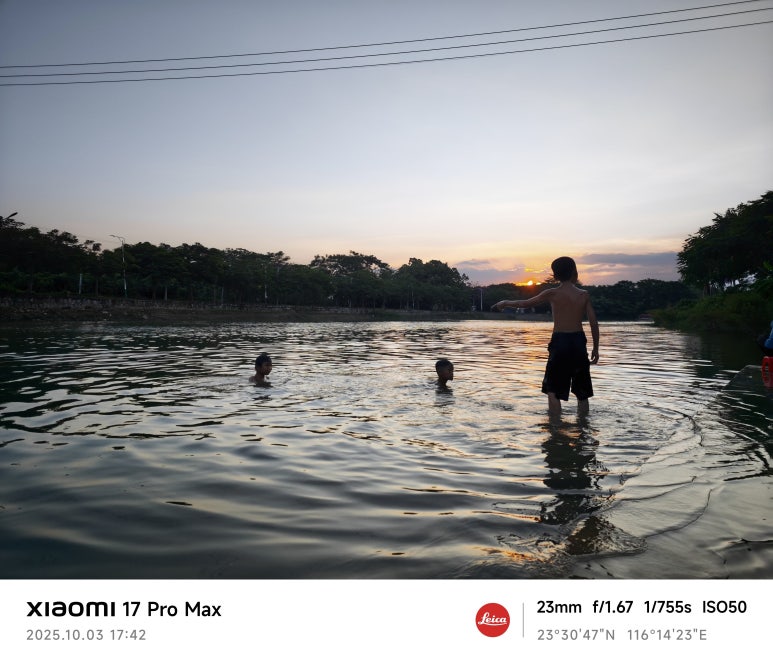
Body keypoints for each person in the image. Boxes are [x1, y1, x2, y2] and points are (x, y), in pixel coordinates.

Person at [491, 256, 599, 417]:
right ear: (574, 272)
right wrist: (596, 348)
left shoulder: (552, 293)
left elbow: (525, 303)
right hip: (578, 342)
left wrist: (505, 302)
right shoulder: (584, 295)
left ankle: (555, 427)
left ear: (555, 275)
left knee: (553, 389)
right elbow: (593, 323)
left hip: (560, 342)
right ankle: (583, 426)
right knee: (582, 392)